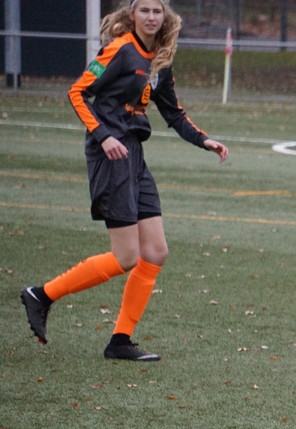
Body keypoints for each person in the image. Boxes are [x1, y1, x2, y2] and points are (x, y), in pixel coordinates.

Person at [19, 0, 228, 361]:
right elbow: (77, 92)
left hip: (134, 154)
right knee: (127, 256)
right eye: (144, 10)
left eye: (157, 11)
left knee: (155, 252)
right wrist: (103, 136)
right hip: (110, 154)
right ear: (133, 14)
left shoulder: (159, 59)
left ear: (165, 16)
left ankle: (120, 341)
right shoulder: (119, 49)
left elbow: (173, 113)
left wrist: (203, 140)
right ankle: (42, 294)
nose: (151, 17)